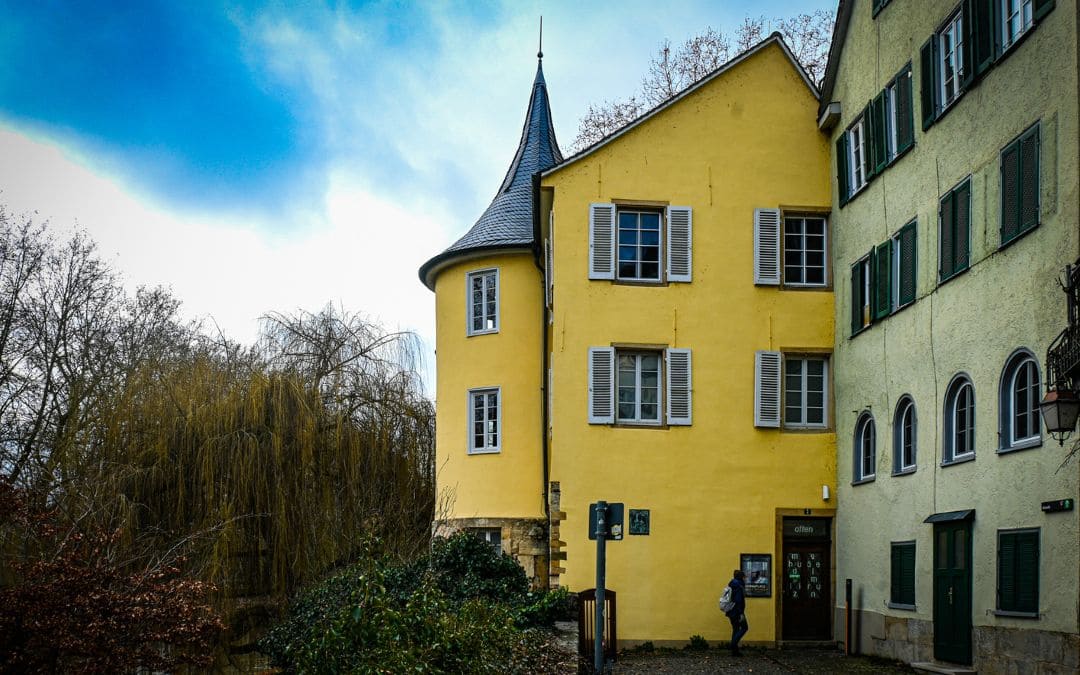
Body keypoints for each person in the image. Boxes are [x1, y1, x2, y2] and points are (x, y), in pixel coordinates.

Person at [725, 569, 749, 656]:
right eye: (744, 577)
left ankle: (735, 652)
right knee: (744, 628)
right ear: (741, 577)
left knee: (735, 629)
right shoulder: (739, 586)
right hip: (737, 612)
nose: (745, 579)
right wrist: (741, 613)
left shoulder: (732, 584)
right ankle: (733, 644)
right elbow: (739, 601)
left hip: (731, 611)